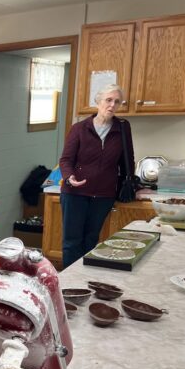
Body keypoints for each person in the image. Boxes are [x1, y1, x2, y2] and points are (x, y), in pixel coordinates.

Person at [58, 83, 135, 268]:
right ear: (98, 102)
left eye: (117, 102)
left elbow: (128, 160)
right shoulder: (79, 128)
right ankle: (69, 283)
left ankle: (84, 280)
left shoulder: (122, 128)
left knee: (91, 241)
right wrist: (70, 177)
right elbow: (66, 159)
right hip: (75, 194)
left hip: (103, 196)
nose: (112, 105)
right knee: (71, 242)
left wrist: (134, 186)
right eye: (108, 100)